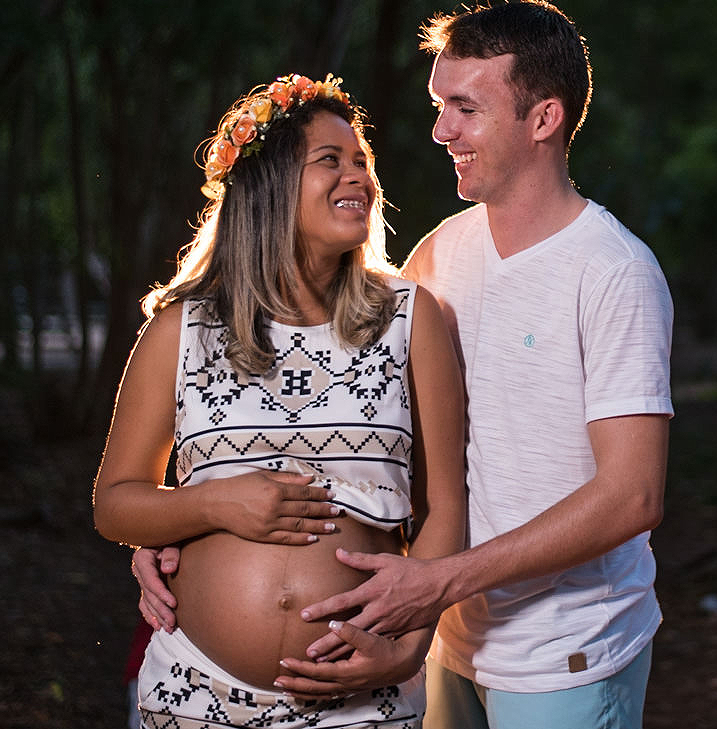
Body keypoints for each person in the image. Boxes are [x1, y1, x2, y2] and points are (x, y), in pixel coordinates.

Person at [137, 0, 674, 728]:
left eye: (464, 108)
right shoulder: (438, 257)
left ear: (543, 119)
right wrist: (174, 535)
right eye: (438, 104)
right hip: (444, 647)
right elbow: (379, 460)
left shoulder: (613, 272)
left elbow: (633, 496)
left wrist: (437, 581)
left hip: (565, 652)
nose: (439, 129)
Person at [96, 73, 465, 729]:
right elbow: (115, 502)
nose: (359, 178)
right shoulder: (182, 329)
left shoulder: (410, 318)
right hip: (193, 693)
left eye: (363, 163)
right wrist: (211, 502)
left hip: (363, 702)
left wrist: (406, 647)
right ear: (268, 186)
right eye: (332, 161)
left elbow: (443, 509)